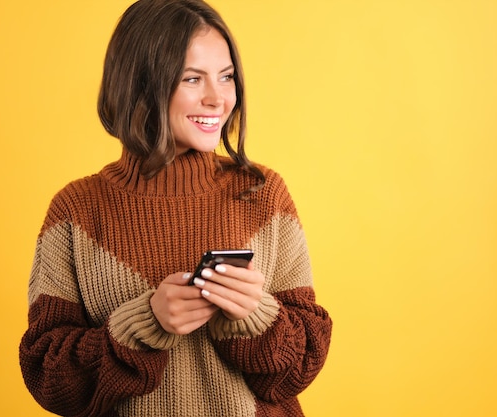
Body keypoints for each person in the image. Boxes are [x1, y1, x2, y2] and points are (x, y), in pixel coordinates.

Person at [19, 0, 332, 416]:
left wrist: (254, 316)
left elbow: (301, 366)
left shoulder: (264, 195)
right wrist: (144, 323)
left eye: (226, 77)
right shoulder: (76, 211)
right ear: (139, 85)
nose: (217, 99)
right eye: (191, 79)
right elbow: (48, 378)